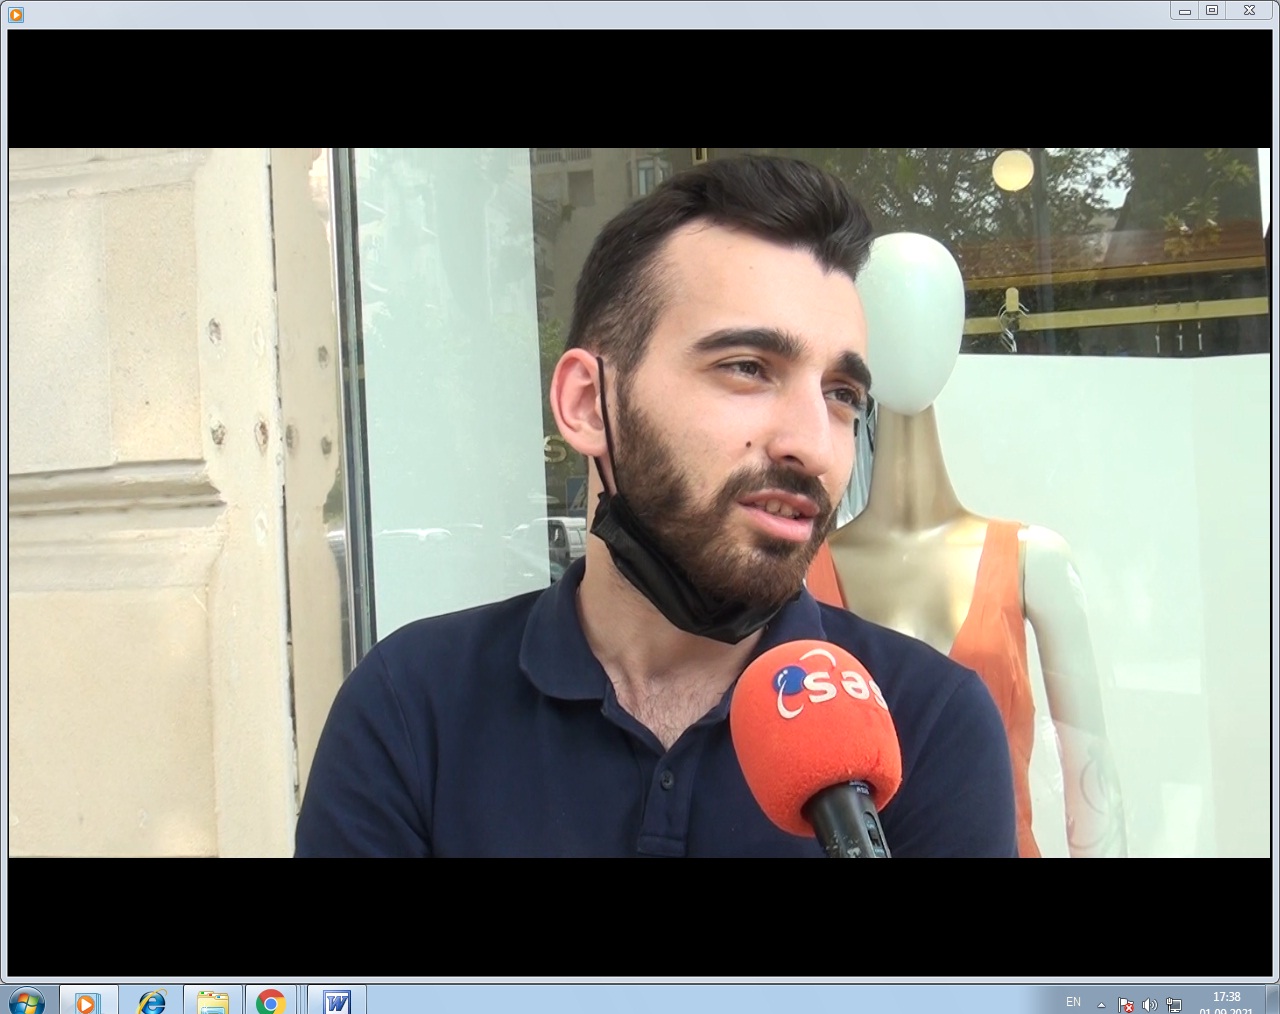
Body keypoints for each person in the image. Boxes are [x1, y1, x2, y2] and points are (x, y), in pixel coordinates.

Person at [295, 156, 1017, 857]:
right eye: (747, 368)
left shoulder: (928, 725)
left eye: (841, 395)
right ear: (589, 404)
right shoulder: (412, 707)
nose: (814, 445)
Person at [808, 232, 1127, 858]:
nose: (910, 336)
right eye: (888, 314)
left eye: (930, 311)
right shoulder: (802, 574)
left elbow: (1093, 782)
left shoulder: (1034, 560)